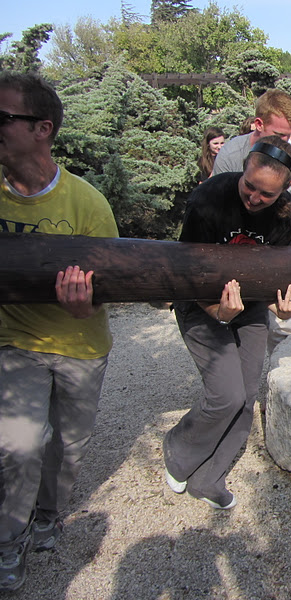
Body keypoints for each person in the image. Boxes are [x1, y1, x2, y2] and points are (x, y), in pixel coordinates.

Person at [0, 72, 118, 591]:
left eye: (3, 118)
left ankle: (48, 511)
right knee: (18, 445)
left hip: (79, 344)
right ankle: (8, 539)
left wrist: (85, 304)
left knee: (69, 447)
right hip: (13, 342)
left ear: (41, 128)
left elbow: (117, 284)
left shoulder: (87, 204)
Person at [163, 136, 291, 510]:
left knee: (245, 397)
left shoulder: (288, 212)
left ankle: (210, 477)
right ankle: (178, 450)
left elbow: (276, 270)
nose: (254, 199)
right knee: (226, 395)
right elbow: (185, 271)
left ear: (285, 190)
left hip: (250, 305)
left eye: (267, 195)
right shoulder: (208, 198)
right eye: (249, 186)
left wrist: (280, 308)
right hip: (200, 301)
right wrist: (215, 312)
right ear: (243, 169)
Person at [212, 89, 291, 246]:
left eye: (289, 134)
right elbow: (216, 209)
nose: (286, 142)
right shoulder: (231, 154)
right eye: (279, 135)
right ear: (259, 124)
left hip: (275, 245)